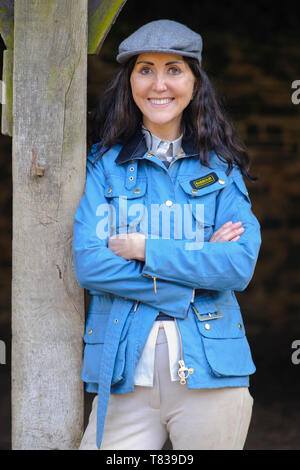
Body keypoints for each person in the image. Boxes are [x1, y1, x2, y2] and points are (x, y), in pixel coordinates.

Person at [73, 19, 262, 450]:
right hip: (123, 372)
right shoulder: (104, 165)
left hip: (211, 372)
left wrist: (146, 248)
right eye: (145, 69)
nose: (159, 84)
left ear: (195, 83)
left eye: (174, 69)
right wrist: (189, 282)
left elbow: (237, 265)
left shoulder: (221, 169)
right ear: (130, 82)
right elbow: (90, 264)